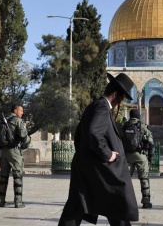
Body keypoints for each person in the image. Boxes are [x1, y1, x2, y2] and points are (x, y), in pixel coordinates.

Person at [58, 73, 138, 226]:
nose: (121, 102)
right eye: (122, 98)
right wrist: (107, 154)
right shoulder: (101, 107)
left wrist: (84, 154)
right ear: (115, 94)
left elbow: (80, 135)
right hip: (98, 169)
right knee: (112, 202)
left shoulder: (95, 106)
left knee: (79, 205)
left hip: (89, 167)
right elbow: (94, 132)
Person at [0, 103, 30, 208]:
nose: (22, 113)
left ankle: (1, 200)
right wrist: (28, 140)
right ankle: (18, 201)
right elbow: (24, 136)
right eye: (21, 111)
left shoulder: (3, 120)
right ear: (15, 111)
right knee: (17, 176)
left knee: (3, 177)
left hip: (3, 151)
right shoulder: (17, 121)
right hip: (14, 152)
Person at [120, 109, 155, 209]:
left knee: (125, 179)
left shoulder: (124, 126)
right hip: (140, 155)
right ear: (138, 116)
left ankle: (124, 201)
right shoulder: (143, 127)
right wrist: (150, 158)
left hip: (126, 156)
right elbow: (151, 143)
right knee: (144, 178)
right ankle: (146, 201)